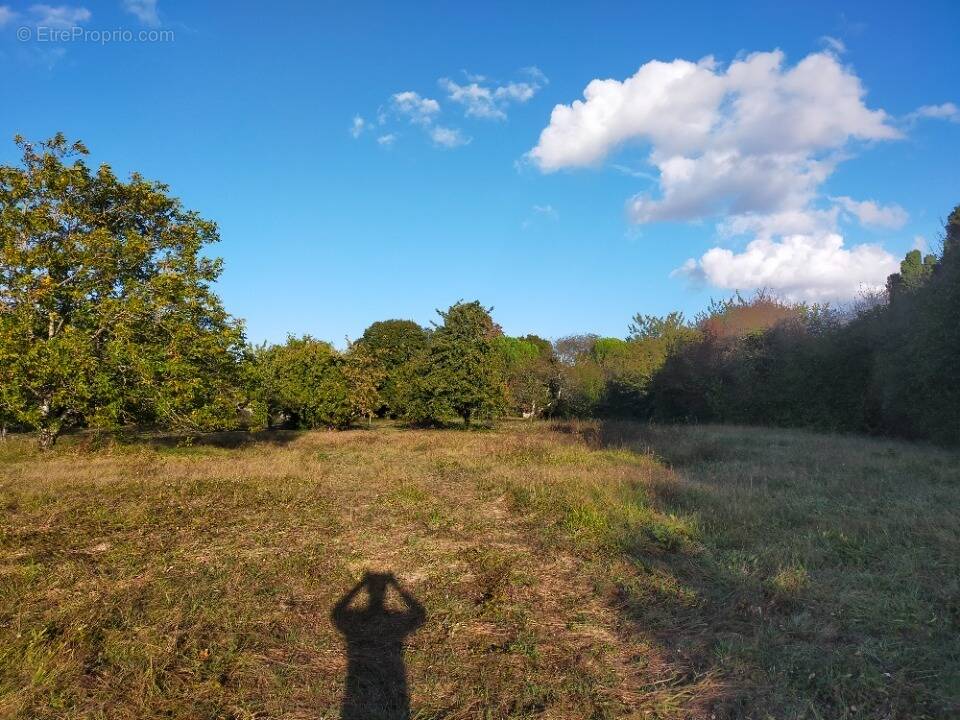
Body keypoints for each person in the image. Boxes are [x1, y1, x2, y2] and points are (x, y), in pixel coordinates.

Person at [331, 571, 426, 719]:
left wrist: (360, 585)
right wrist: (397, 586)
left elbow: (337, 615)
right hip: (391, 676)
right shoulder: (394, 624)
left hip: (362, 679)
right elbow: (419, 616)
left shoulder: (357, 624)